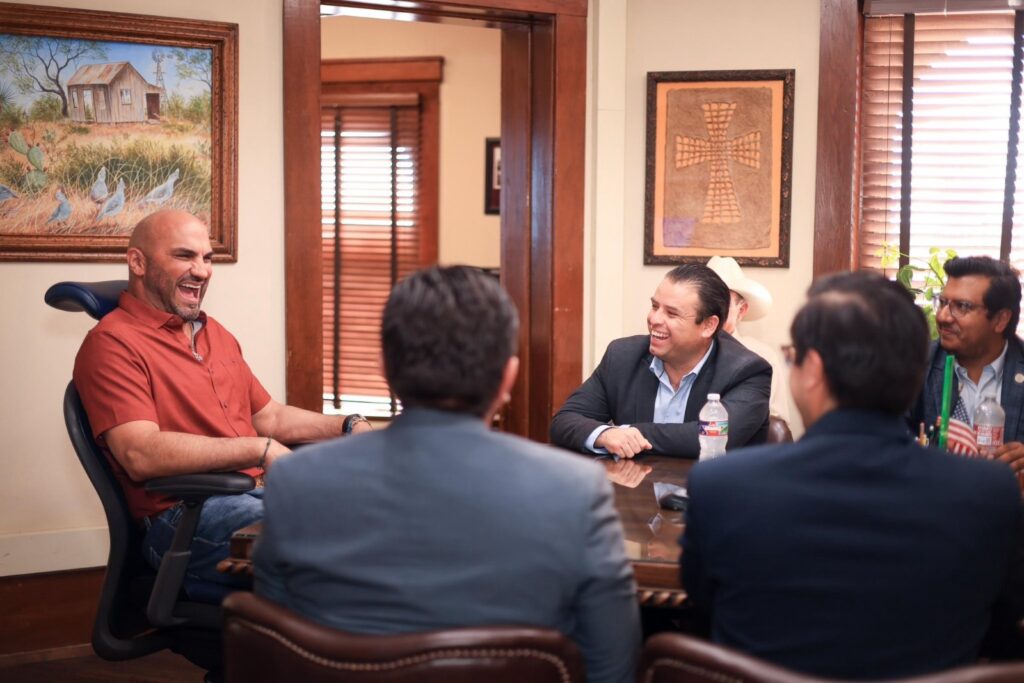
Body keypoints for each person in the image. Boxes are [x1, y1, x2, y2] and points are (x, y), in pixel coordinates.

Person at [254, 265, 640, 683]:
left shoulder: (296, 480)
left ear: (385, 367)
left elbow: (274, 652)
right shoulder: (576, 489)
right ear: (508, 377)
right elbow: (611, 668)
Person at [681, 271, 1023, 679]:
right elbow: (1003, 619)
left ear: (813, 370)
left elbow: (704, 606)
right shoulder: (990, 493)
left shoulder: (721, 487)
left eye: (792, 357)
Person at [73, 209, 371, 592]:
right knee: (337, 544)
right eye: (185, 255)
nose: (202, 271)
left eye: (207, 258)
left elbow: (270, 416)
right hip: (185, 518)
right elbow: (139, 452)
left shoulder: (214, 334)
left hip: (256, 495)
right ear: (138, 262)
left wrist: (349, 426)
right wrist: (260, 449)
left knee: (378, 515)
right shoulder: (112, 344)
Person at [549, 263, 771, 459]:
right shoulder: (623, 356)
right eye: (655, 306)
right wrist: (605, 434)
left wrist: (628, 434)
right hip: (636, 491)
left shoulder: (747, 372)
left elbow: (711, 438)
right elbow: (565, 420)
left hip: (715, 491)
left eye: (672, 314)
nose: (654, 319)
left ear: (708, 325)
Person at [909, 256, 1024, 470]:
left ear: (1000, 320)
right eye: (943, 303)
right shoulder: (916, 365)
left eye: (962, 306)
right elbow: (888, 442)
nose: (943, 317)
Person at [706, 256, 790, 424]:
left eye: (722, 301)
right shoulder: (683, 350)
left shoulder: (762, 357)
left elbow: (777, 423)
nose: (712, 310)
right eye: (706, 300)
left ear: (742, 310)